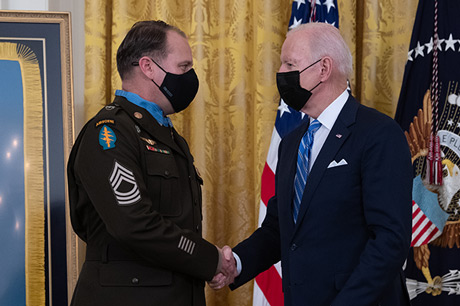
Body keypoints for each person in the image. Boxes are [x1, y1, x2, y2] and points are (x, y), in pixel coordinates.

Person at [210, 22, 413, 306]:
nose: (280, 73)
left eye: (289, 63)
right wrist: (237, 264)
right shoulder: (292, 142)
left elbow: (390, 241)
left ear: (324, 68)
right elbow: (280, 229)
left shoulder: (378, 134)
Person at [67, 20, 236, 306]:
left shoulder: (164, 133)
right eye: (183, 67)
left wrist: (206, 265)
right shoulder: (109, 132)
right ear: (147, 67)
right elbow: (134, 224)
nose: (190, 76)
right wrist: (211, 260)